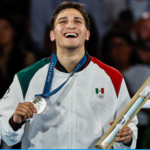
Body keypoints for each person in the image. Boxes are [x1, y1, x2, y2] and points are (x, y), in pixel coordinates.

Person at [0, 2, 138, 149]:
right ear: (52, 34)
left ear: (87, 34)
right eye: (63, 21)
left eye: (78, 21)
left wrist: (127, 139)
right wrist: (14, 121)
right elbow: (6, 134)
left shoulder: (112, 77)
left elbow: (129, 130)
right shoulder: (26, 77)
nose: (70, 25)